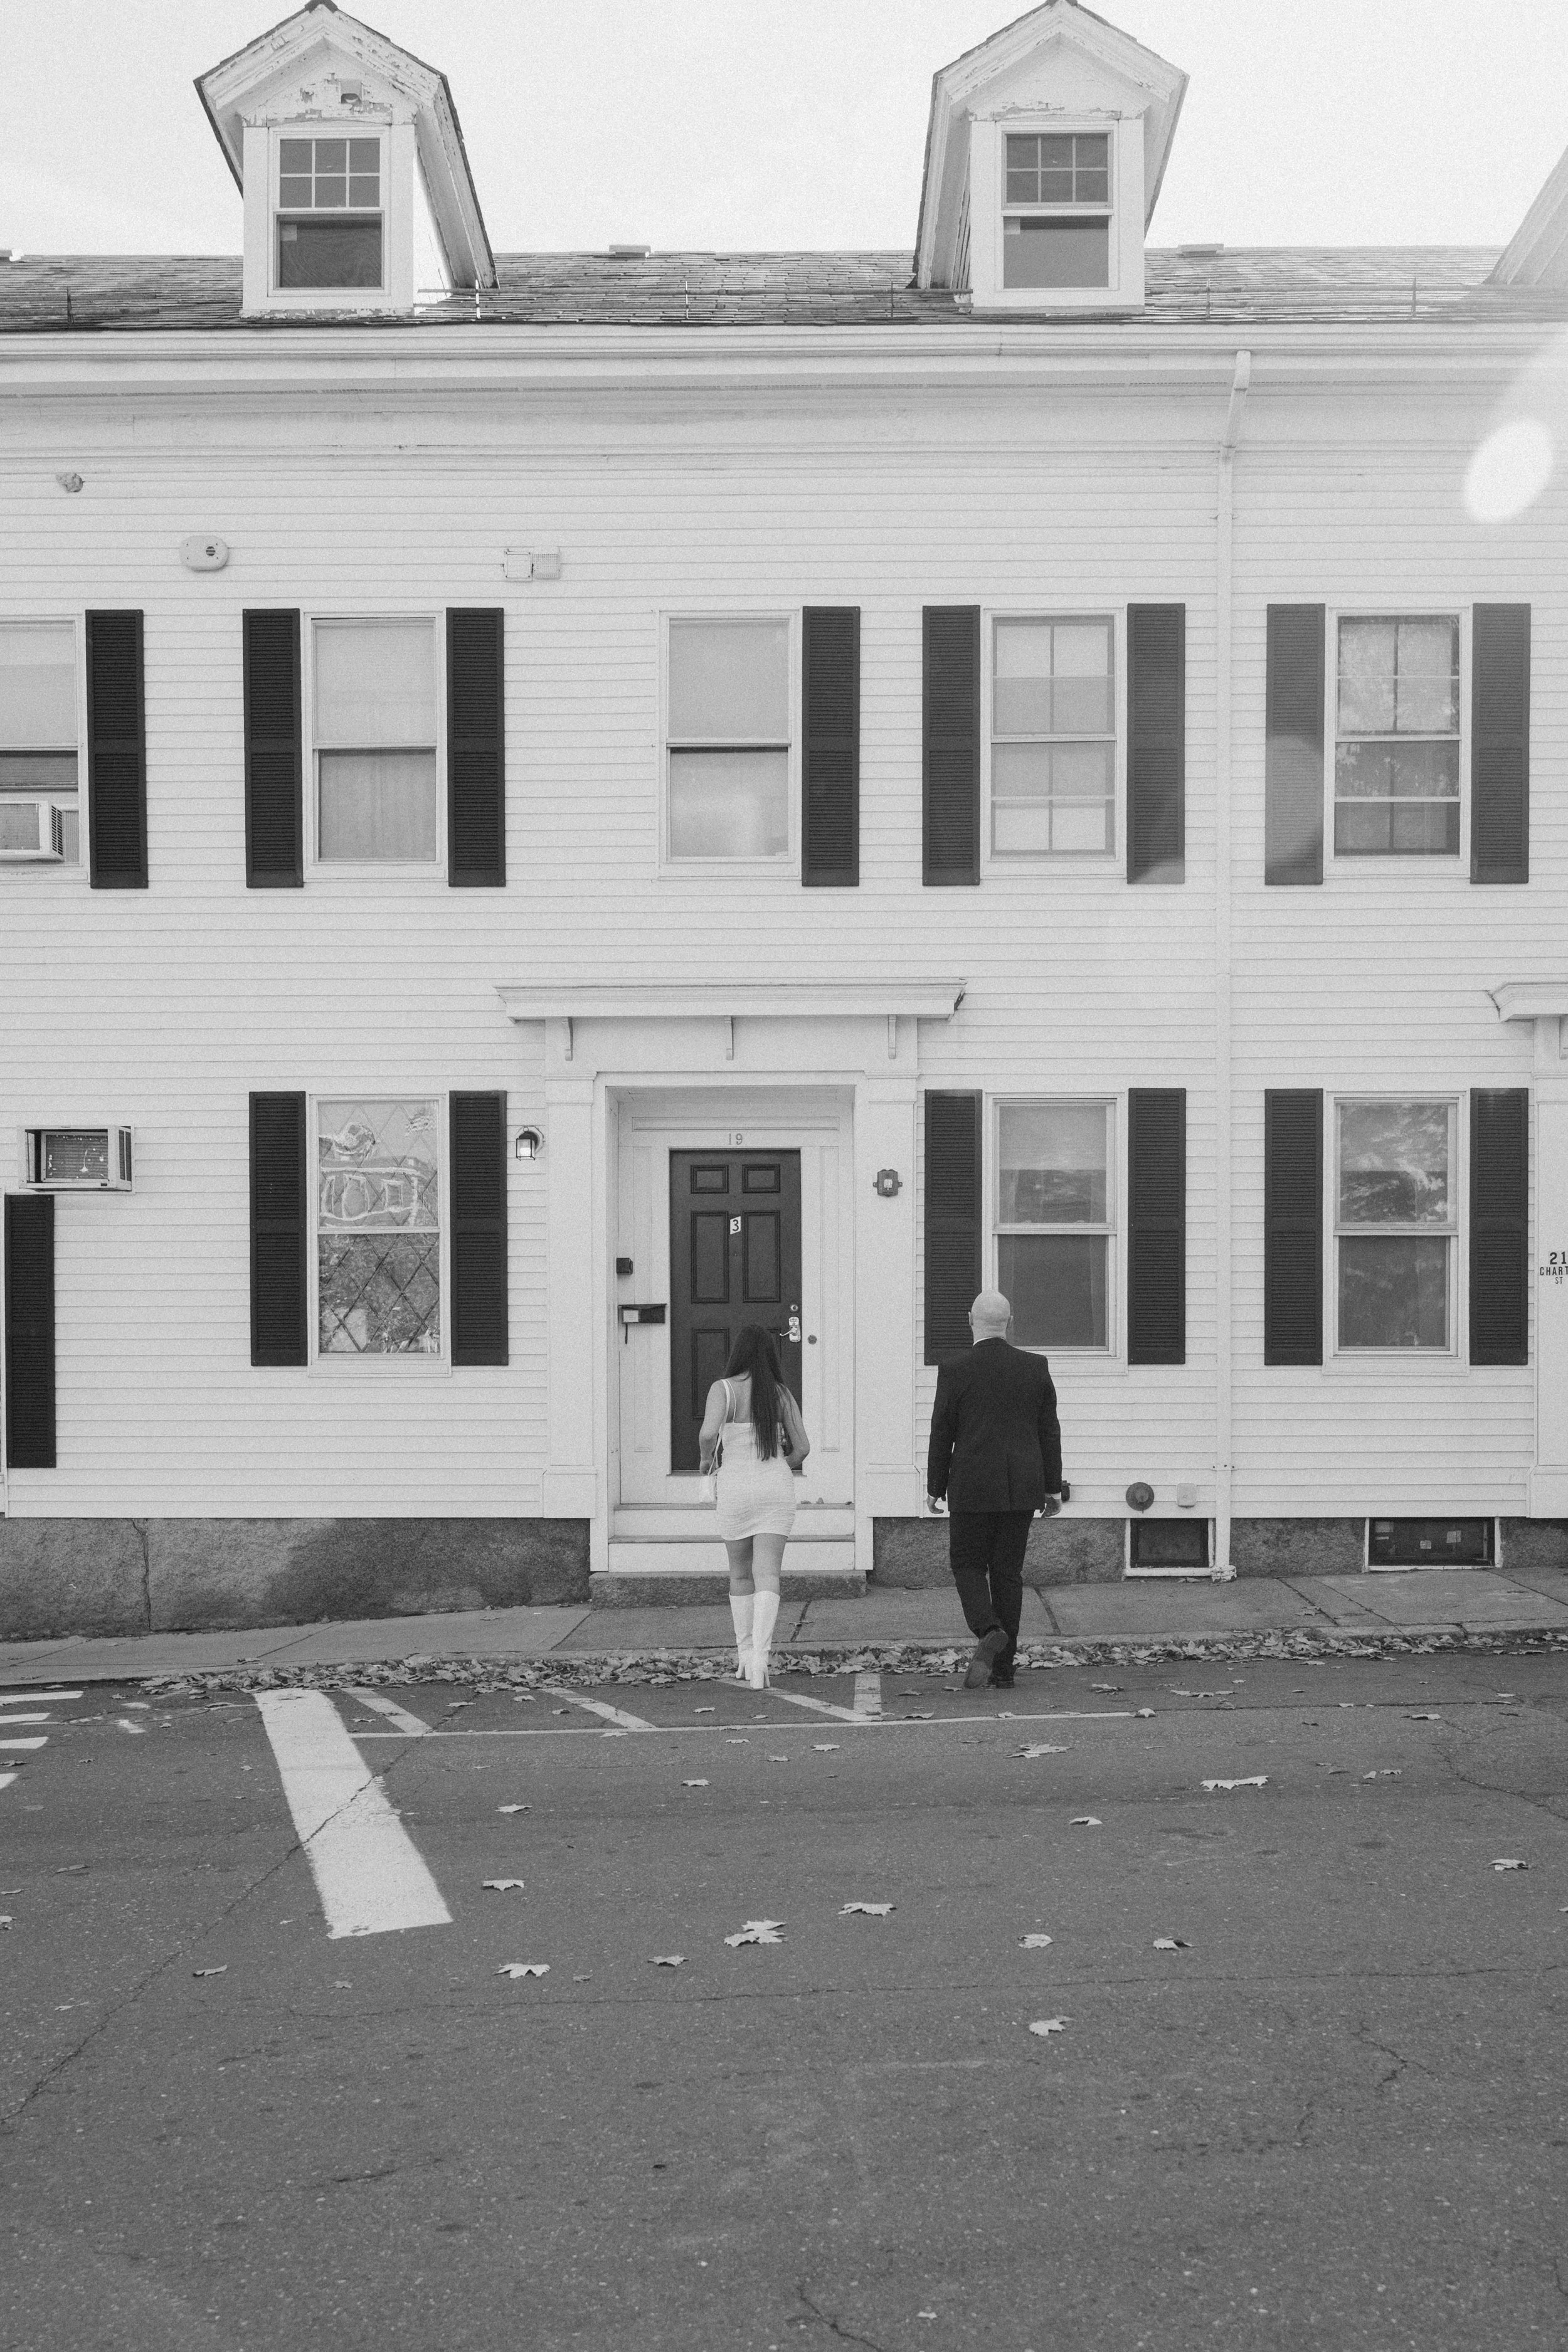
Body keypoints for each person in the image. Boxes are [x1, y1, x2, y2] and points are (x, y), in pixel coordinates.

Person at [926, 1289, 1064, 1690]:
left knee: (967, 1564)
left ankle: (988, 1629)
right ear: (1010, 1322)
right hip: (1021, 1485)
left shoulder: (954, 1368)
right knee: (1007, 1573)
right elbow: (1049, 1431)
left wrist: (935, 1486)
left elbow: (942, 1431)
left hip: (971, 1484)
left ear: (971, 1320)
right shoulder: (1035, 1366)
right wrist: (1052, 1487)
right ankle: (1004, 1671)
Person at [698, 1324, 810, 1689]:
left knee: (740, 1575)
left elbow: (708, 1434)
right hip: (774, 1486)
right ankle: (762, 1658)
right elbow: (802, 1449)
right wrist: (777, 1466)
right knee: (769, 1574)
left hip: (735, 1486)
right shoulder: (780, 1393)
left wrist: (706, 1461)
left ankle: (745, 1655)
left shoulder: (723, 1389)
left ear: (738, 1353)